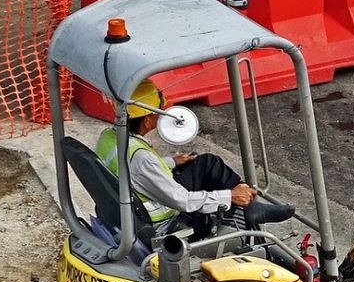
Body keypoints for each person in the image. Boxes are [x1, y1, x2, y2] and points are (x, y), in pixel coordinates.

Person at [95, 79, 295, 238]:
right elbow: (182, 200)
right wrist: (228, 196)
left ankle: (250, 205)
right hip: (164, 221)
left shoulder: (109, 137)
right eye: (158, 111)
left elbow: (131, 170)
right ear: (147, 120)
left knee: (206, 162)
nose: (162, 114)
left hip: (134, 198)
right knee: (216, 185)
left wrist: (172, 162)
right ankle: (245, 202)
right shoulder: (141, 157)